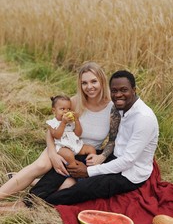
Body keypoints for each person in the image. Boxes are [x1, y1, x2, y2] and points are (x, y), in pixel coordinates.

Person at [22, 69, 159, 207]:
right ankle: (30, 197)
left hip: (129, 174)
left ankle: (34, 205)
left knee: (83, 189)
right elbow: (114, 142)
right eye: (114, 91)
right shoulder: (124, 107)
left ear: (134, 90)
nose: (118, 95)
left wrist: (88, 171)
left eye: (124, 90)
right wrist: (100, 159)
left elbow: (127, 161)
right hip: (115, 158)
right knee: (70, 162)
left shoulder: (143, 118)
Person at [0, 62, 120, 206]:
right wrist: (52, 153)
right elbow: (52, 129)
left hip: (83, 153)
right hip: (61, 144)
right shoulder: (75, 102)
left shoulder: (112, 109)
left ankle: (28, 188)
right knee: (41, 166)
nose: (89, 87)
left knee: (67, 186)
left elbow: (113, 140)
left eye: (94, 81)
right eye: (84, 83)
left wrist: (101, 156)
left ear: (102, 80)